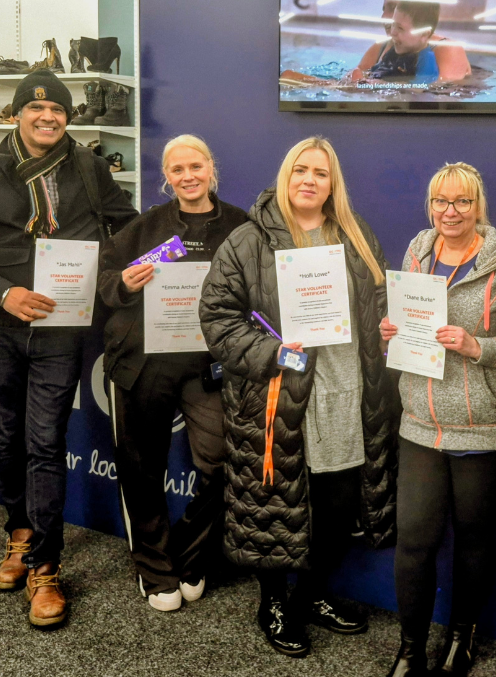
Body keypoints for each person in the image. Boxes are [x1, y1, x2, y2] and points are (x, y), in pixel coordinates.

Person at [0, 69, 137, 628]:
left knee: (45, 442)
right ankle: (20, 534)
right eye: (36, 108)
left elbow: (127, 228)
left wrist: (177, 240)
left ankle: (45, 567)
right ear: (18, 113)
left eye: (58, 111)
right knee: (6, 439)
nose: (48, 117)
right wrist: (5, 294)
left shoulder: (90, 168)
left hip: (60, 330)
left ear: (67, 119)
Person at [199, 136, 399, 659]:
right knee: (274, 507)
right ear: (286, 177)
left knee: (335, 510)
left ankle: (311, 596)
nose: (310, 180)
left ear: (334, 185)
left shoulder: (356, 235)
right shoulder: (247, 241)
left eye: (321, 173)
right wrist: (274, 352)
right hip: (279, 396)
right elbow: (218, 318)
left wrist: (388, 328)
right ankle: (273, 604)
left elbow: (380, 303)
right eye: (301, 170)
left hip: (347, 393)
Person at [97, 134, 247, 612]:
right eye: (177, 169)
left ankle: (190, 552)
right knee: (141, 468)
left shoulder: (241, 226)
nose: (188, 176)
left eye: (195, 166)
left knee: (224, 462)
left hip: (210, 367)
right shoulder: (145, 228)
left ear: (211, 168)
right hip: (144, 362)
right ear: (166, 177)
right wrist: (124, 283)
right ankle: (155, 567)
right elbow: (104, 282)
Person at [378, 162, 496, 677]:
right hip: (419, 421)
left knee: (474, 543)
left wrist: (477, 346)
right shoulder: (417, 253)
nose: (450, 212)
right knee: (414, 542)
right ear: (430, 205)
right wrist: (391, 331)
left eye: (461, 201)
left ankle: (462, 639)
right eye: (440, 201)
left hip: (481, 427)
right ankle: (410, 648)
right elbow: (404, 322)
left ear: (478, 206)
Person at [352, 0, 471, 83]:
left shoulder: (448, 49)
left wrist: (379, 85)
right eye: (384, 8)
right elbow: (355, 78)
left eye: (393, 8)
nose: (384, 17)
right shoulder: (381, 47)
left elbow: (437, 92)